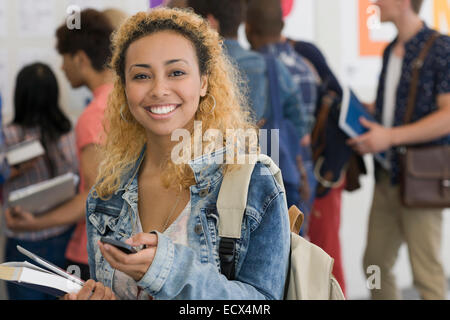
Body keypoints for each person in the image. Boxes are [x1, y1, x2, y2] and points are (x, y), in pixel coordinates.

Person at [64, 7, 290, 300]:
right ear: (124, 87)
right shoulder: (107, 193)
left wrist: (169, 271)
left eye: (177, 72)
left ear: (204, 82)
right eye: (142, 76)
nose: (159, 89)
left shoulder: (252, 181)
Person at [348, 0, 450, 300]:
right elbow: (398, 109)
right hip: (386, 179)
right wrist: (367, 111)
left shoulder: (441, 48)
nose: (375, 2)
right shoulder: (389, 50)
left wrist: (390, 137)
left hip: (421, 180)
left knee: (426, 275)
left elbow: (447, 116)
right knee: (374, 264)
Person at [5, 9, 115, 282]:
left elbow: (94, 199)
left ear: (79, 58)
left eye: (64, 59)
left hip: (89, 252)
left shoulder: (92, 116)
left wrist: (35, 222)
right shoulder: (125, 102)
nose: (62, 68)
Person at [2, 63, 78, 300]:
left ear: (20, 95)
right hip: (64, 235)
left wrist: (11, 170)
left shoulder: (8, 136)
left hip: (23, 240)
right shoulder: (70, 134)